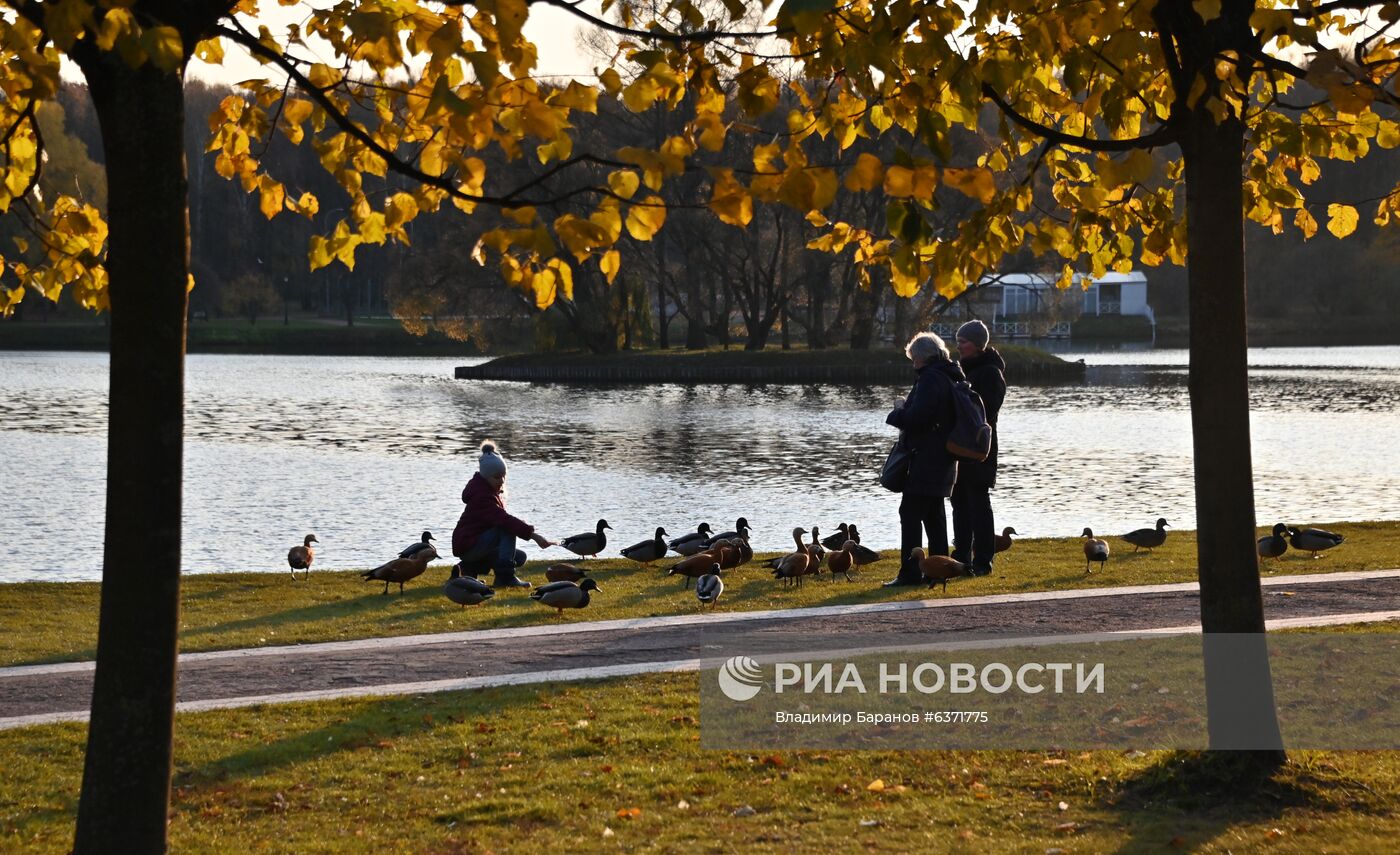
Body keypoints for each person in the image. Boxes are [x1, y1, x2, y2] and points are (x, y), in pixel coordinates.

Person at [883, 332, 966, 587]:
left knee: (909, 514)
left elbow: (919, 419)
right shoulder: (949, 375)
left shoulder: (930, 379)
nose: (913, 364)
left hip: (926, 459)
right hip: (943, 458)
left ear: (921, 357)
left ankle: (910, 573)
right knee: (934, 516)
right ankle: (938, 570)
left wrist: (897, 412)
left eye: (913, 359)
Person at [451, 441, 554, 589]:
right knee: (507, 529)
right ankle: (505, 577)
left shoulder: (487, 491)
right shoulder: (482, 496)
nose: (502, 481)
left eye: (503, 476)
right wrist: (534, 535)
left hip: (472, 544)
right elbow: (504, 521)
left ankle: (468, 569)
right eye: (497, 477)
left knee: (519, 557)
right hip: (468, 545)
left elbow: (500, 518)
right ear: (486, 477)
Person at [950, 320, 1008, 577]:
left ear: (978, 344)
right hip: (959, 449)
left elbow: (987, 413)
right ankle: (961, 554)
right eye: (959, 341)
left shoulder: (990, 373)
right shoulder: (963, 370)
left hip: (980, 449)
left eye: (964, 341)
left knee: (978, 502)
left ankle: (984, 559)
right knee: (958, 501)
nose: (959, 345)